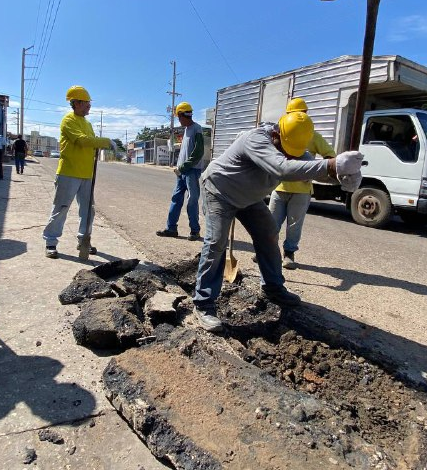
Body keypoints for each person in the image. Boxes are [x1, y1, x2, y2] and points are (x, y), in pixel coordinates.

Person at [191, 112, 364, 332]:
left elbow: (309, 166)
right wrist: (331, 165)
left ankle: (273, 287)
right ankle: (203, 303)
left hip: (250, 198)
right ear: (276, 134)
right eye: (285, 150)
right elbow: (282, 167)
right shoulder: (256, 139)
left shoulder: (293, 145)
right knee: (216, 243)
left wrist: (341, 175)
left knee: (269, 234)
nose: (289, 154)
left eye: (293, 153)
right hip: (219, 191)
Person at [42, 85, 117, 259]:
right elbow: (83, 141)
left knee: (88, 210)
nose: (89, 106)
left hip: (87, 174)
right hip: (69, 172)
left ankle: (84, 240)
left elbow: (91, 143)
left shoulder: (87, 124)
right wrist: (104, 142)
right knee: (61, 208)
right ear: (75, 103)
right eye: (86, 103)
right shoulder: (68, 120)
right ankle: (51, 242)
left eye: (89, 102)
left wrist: (98, 145)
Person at [269, 98, 335, 269]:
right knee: (271, 222)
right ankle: (266, 250)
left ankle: (288, 254)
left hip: (301, 190)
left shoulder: (313, 136)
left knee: (294, 225)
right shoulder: (281, 134)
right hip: (279, 187)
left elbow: (330, 157)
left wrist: (313, 171)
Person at [156, 101, 204, 241]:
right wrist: (179, 167)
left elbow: (198, 152)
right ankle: (171, 229)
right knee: (176, 199)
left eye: (179, 117)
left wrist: (184, 166)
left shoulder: (197, 129)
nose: (178, 120)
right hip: (181, 172)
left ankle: (195, 231)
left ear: (183, 115)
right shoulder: (186, 130)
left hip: (192, 171)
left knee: (192, 201)